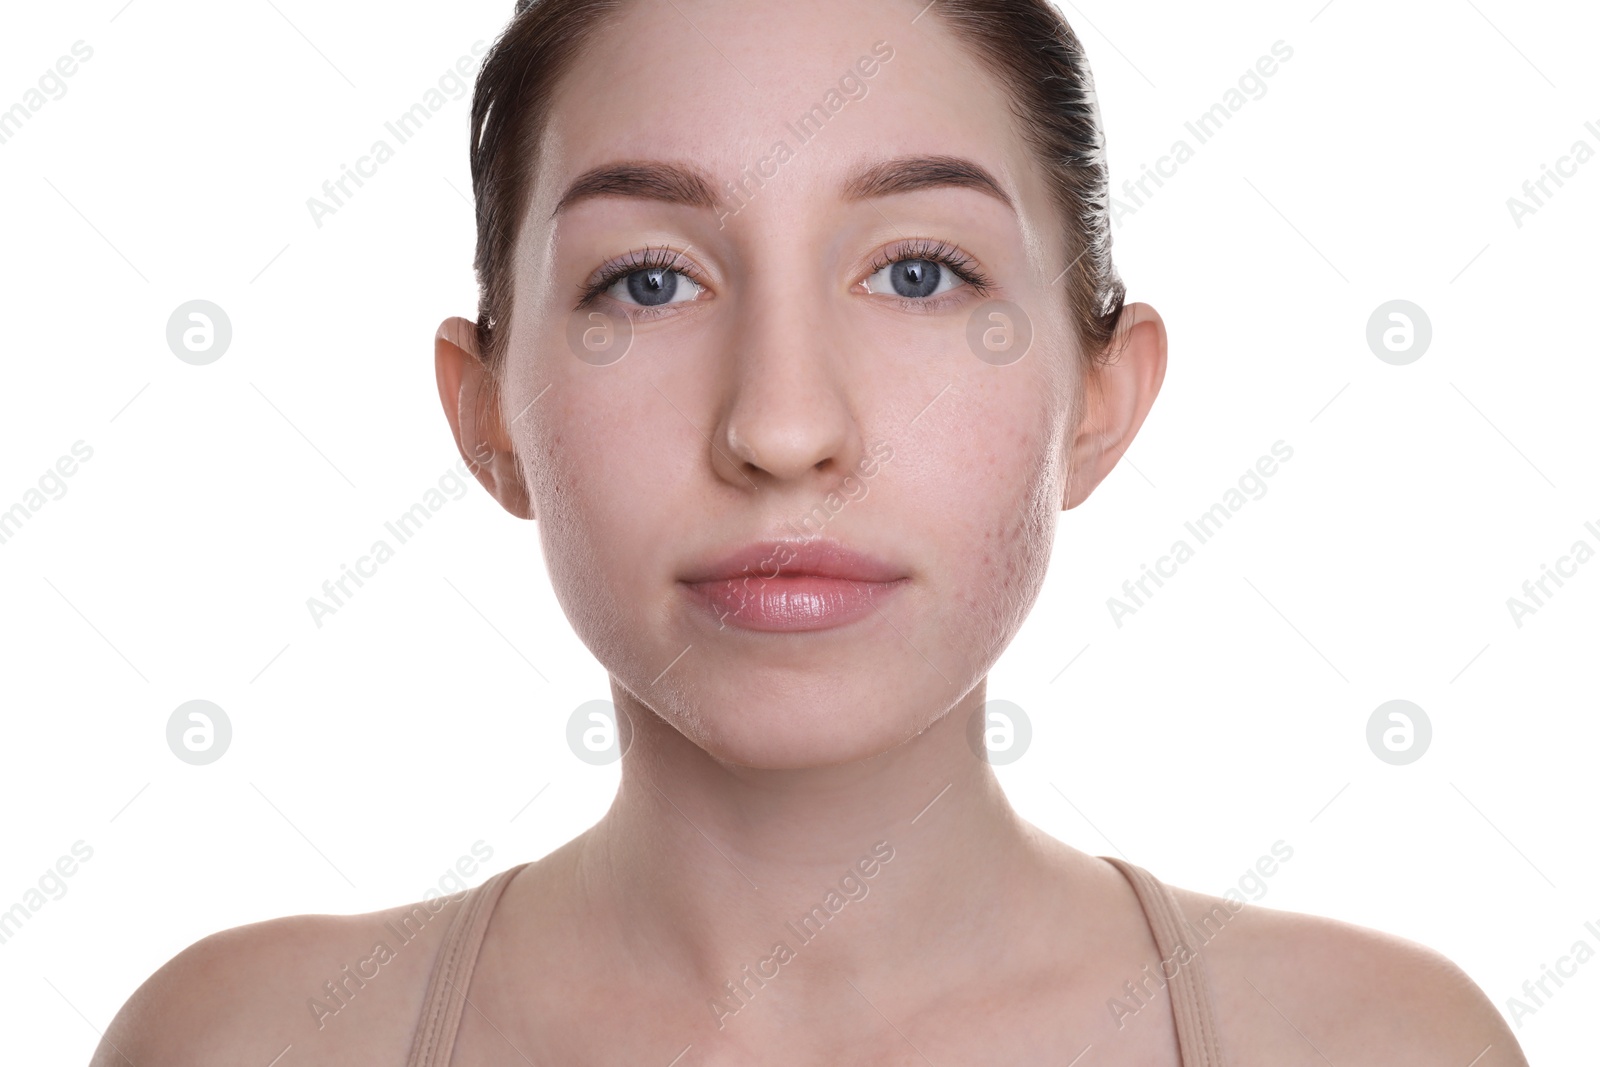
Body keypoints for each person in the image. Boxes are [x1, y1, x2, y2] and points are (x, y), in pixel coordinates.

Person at [93, 1, 1527, 1063]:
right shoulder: (245, 1042)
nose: (781, 429)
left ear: (1100, 399)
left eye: (917, 271)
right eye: (648, 284)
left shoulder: (1379, 1043)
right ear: (489, 414)